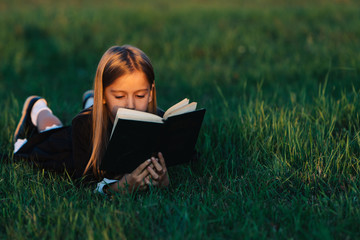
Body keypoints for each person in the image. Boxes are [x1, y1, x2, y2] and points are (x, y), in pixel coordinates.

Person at [13, 45, 169, 194]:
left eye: (140, 95)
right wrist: (122, 188)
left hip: (101, 116)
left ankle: (91, 102)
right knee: (52, 130)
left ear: (150, 92)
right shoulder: (83, 127)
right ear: (102, 94)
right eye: (120, 96)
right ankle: (37, 107)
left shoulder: (158, 121)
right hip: (70, 147)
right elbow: (87, 184)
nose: (131, 105)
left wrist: (163, 181)